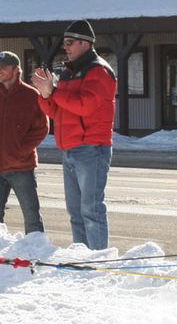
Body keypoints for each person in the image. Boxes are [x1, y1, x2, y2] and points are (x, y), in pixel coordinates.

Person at [32, 19, 117, 250]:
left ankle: (98, 259)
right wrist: (45, 95)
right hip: (70, 147)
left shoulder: (99, 71)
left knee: (91, 209)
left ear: (85, 43)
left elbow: (85, 106)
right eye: (64, 43)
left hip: (91, 147)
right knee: (76, 211)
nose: (65, 47)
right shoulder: (69, 73)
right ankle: (82, 257)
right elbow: (56, 112)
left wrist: (54, 92)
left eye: (69, 42)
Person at [0, 51, 49, 234]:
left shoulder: (31, 95)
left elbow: (42, 128)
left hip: (21, 167)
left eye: (3, 67)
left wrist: (21, 150)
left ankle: (35, 252)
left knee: (31, 216)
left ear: (16, 70)